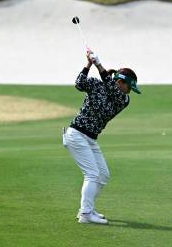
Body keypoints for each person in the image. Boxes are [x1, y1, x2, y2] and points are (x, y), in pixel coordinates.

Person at [62, 49, 141, 225]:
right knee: (92, 174)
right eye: (129, 87)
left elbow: (112, 90)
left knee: (103, 175)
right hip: (76, 135)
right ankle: (85, 214)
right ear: (121, 82)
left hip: (90, 138)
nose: (129, 92)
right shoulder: (97, 84)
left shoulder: (123, 99)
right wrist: (89, 64)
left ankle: (88, 209)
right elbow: (79, 83)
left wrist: (99, 65)